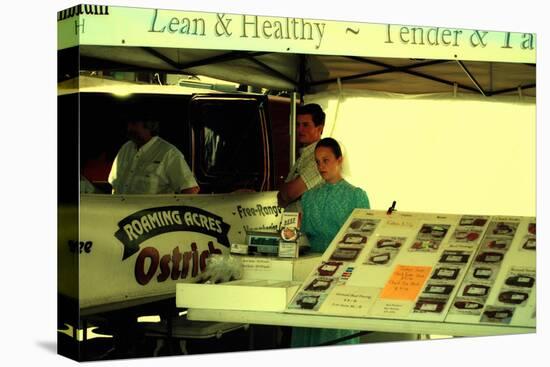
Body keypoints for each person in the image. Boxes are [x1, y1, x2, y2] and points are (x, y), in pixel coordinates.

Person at [291, 137, 370, 348]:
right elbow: (304, 235)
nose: (321, 166)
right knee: (308, 323)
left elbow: (365, 238)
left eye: (326, 160)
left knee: (336, 328)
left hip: (343, 269)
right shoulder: (308, 198)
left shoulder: (356, 196)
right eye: (317, 161)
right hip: (310, 269)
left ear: (339, 160)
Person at [108, 114, 200, 195]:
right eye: (129, 124)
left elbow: (190, 190)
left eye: (134, 124)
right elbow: (114, 186)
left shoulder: (169, 153)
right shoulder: (125, 148)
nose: (129, 128)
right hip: (119, 213)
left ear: (149, 125)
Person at [277, 103, 325, 210]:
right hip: (293, 223)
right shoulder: (303, 156)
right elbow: (281, 199)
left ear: (320, 128)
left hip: (307, 224)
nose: (300, 129)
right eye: (298, 124)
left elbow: (289, 193)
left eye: (305, 125)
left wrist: (286, 190)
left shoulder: (320, 158)